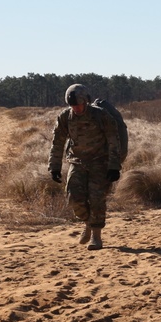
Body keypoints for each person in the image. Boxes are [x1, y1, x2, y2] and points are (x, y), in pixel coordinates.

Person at [48, 84, 121, 250]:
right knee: (74, 199)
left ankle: (96, 235)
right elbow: (57, 142)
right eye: (73, 105)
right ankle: (88, 223)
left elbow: (113, 139)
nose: (76, 108)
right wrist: (54, 167)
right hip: (77, 161)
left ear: (86, 101)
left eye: (79, 104)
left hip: (99, 161)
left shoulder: (100, 115)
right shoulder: (65, 117)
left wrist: (114, 166)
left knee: (96, 199)